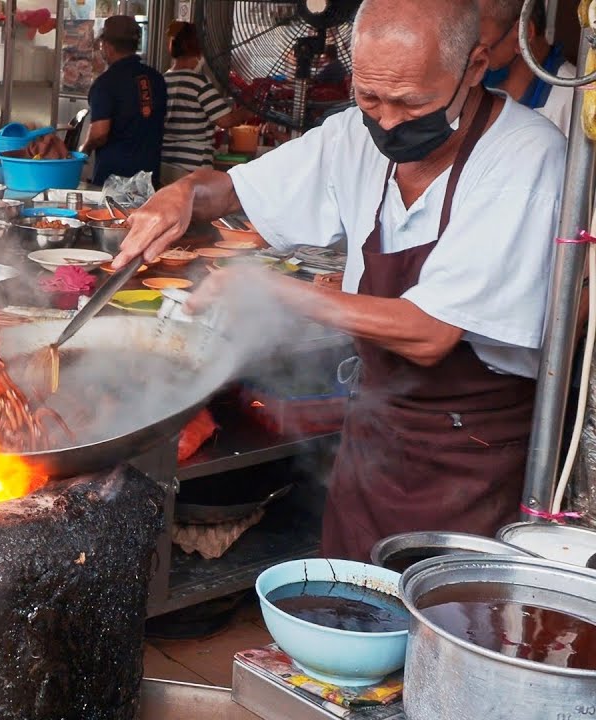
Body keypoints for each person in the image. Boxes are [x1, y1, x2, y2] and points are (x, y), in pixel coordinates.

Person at [115, 0, 565, 560]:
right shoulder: (354, 134)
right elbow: (236, 191)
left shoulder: (526, 159)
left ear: (474, 68)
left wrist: (272, 290)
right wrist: (182, 194)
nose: (388, 121)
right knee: (349, 600)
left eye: (411, 102)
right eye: (370, 96)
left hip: (469, 452)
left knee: (438, 627)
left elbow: (431, 333)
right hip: (374, 430)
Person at [81, 15, 167, 186]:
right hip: (148, 182)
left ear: (107, 46)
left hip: (113, 183)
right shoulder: (157, 79)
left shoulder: (106, 83)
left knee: (110, 214)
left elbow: (99, 133)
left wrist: (84, 150)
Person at [161, 23, 247, 184]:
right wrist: (247, 110)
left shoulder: (163, 80)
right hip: (194, 165)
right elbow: (225, 120)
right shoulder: (199, 83)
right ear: (198, 49)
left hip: (165, 161)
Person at [479, 0, 576, 132]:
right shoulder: (478, 86)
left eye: (479, 39)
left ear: (523, 33)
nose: (474, 54)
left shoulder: (572, 101)